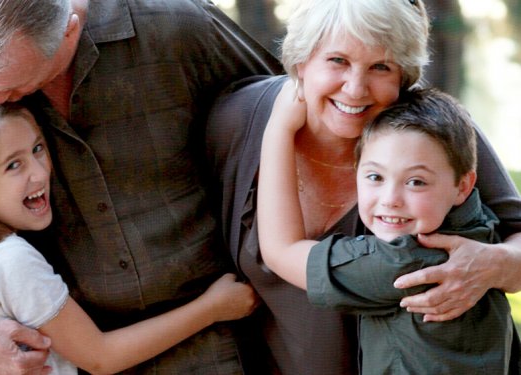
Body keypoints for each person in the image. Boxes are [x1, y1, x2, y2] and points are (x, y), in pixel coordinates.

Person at [0, 0, 283, 373]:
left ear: (71, 29)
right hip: (69, 342)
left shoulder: (176, 24)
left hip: (208, 339)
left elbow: (291, 115)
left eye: (14, 82)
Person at [205, 0, 521, 373]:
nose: (355, 88)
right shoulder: (236, 121)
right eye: (337, 60)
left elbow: (282, 251)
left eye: (380, 66)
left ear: (404, 77)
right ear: (301, 60)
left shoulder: (431, 137)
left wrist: (494, 263)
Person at [0, 86, 259, 375]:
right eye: (13, 165)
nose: (39, 173)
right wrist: (212, 308)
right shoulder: (10, 262)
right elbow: (101, 357)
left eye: (38, 149)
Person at [258, 86, 516, 374]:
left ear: (463, 186)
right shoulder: (481, 226)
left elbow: (281, 250)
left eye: (416, 182)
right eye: (375, 176)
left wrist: (279, 129)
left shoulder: (402, 263)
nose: (390, 199)